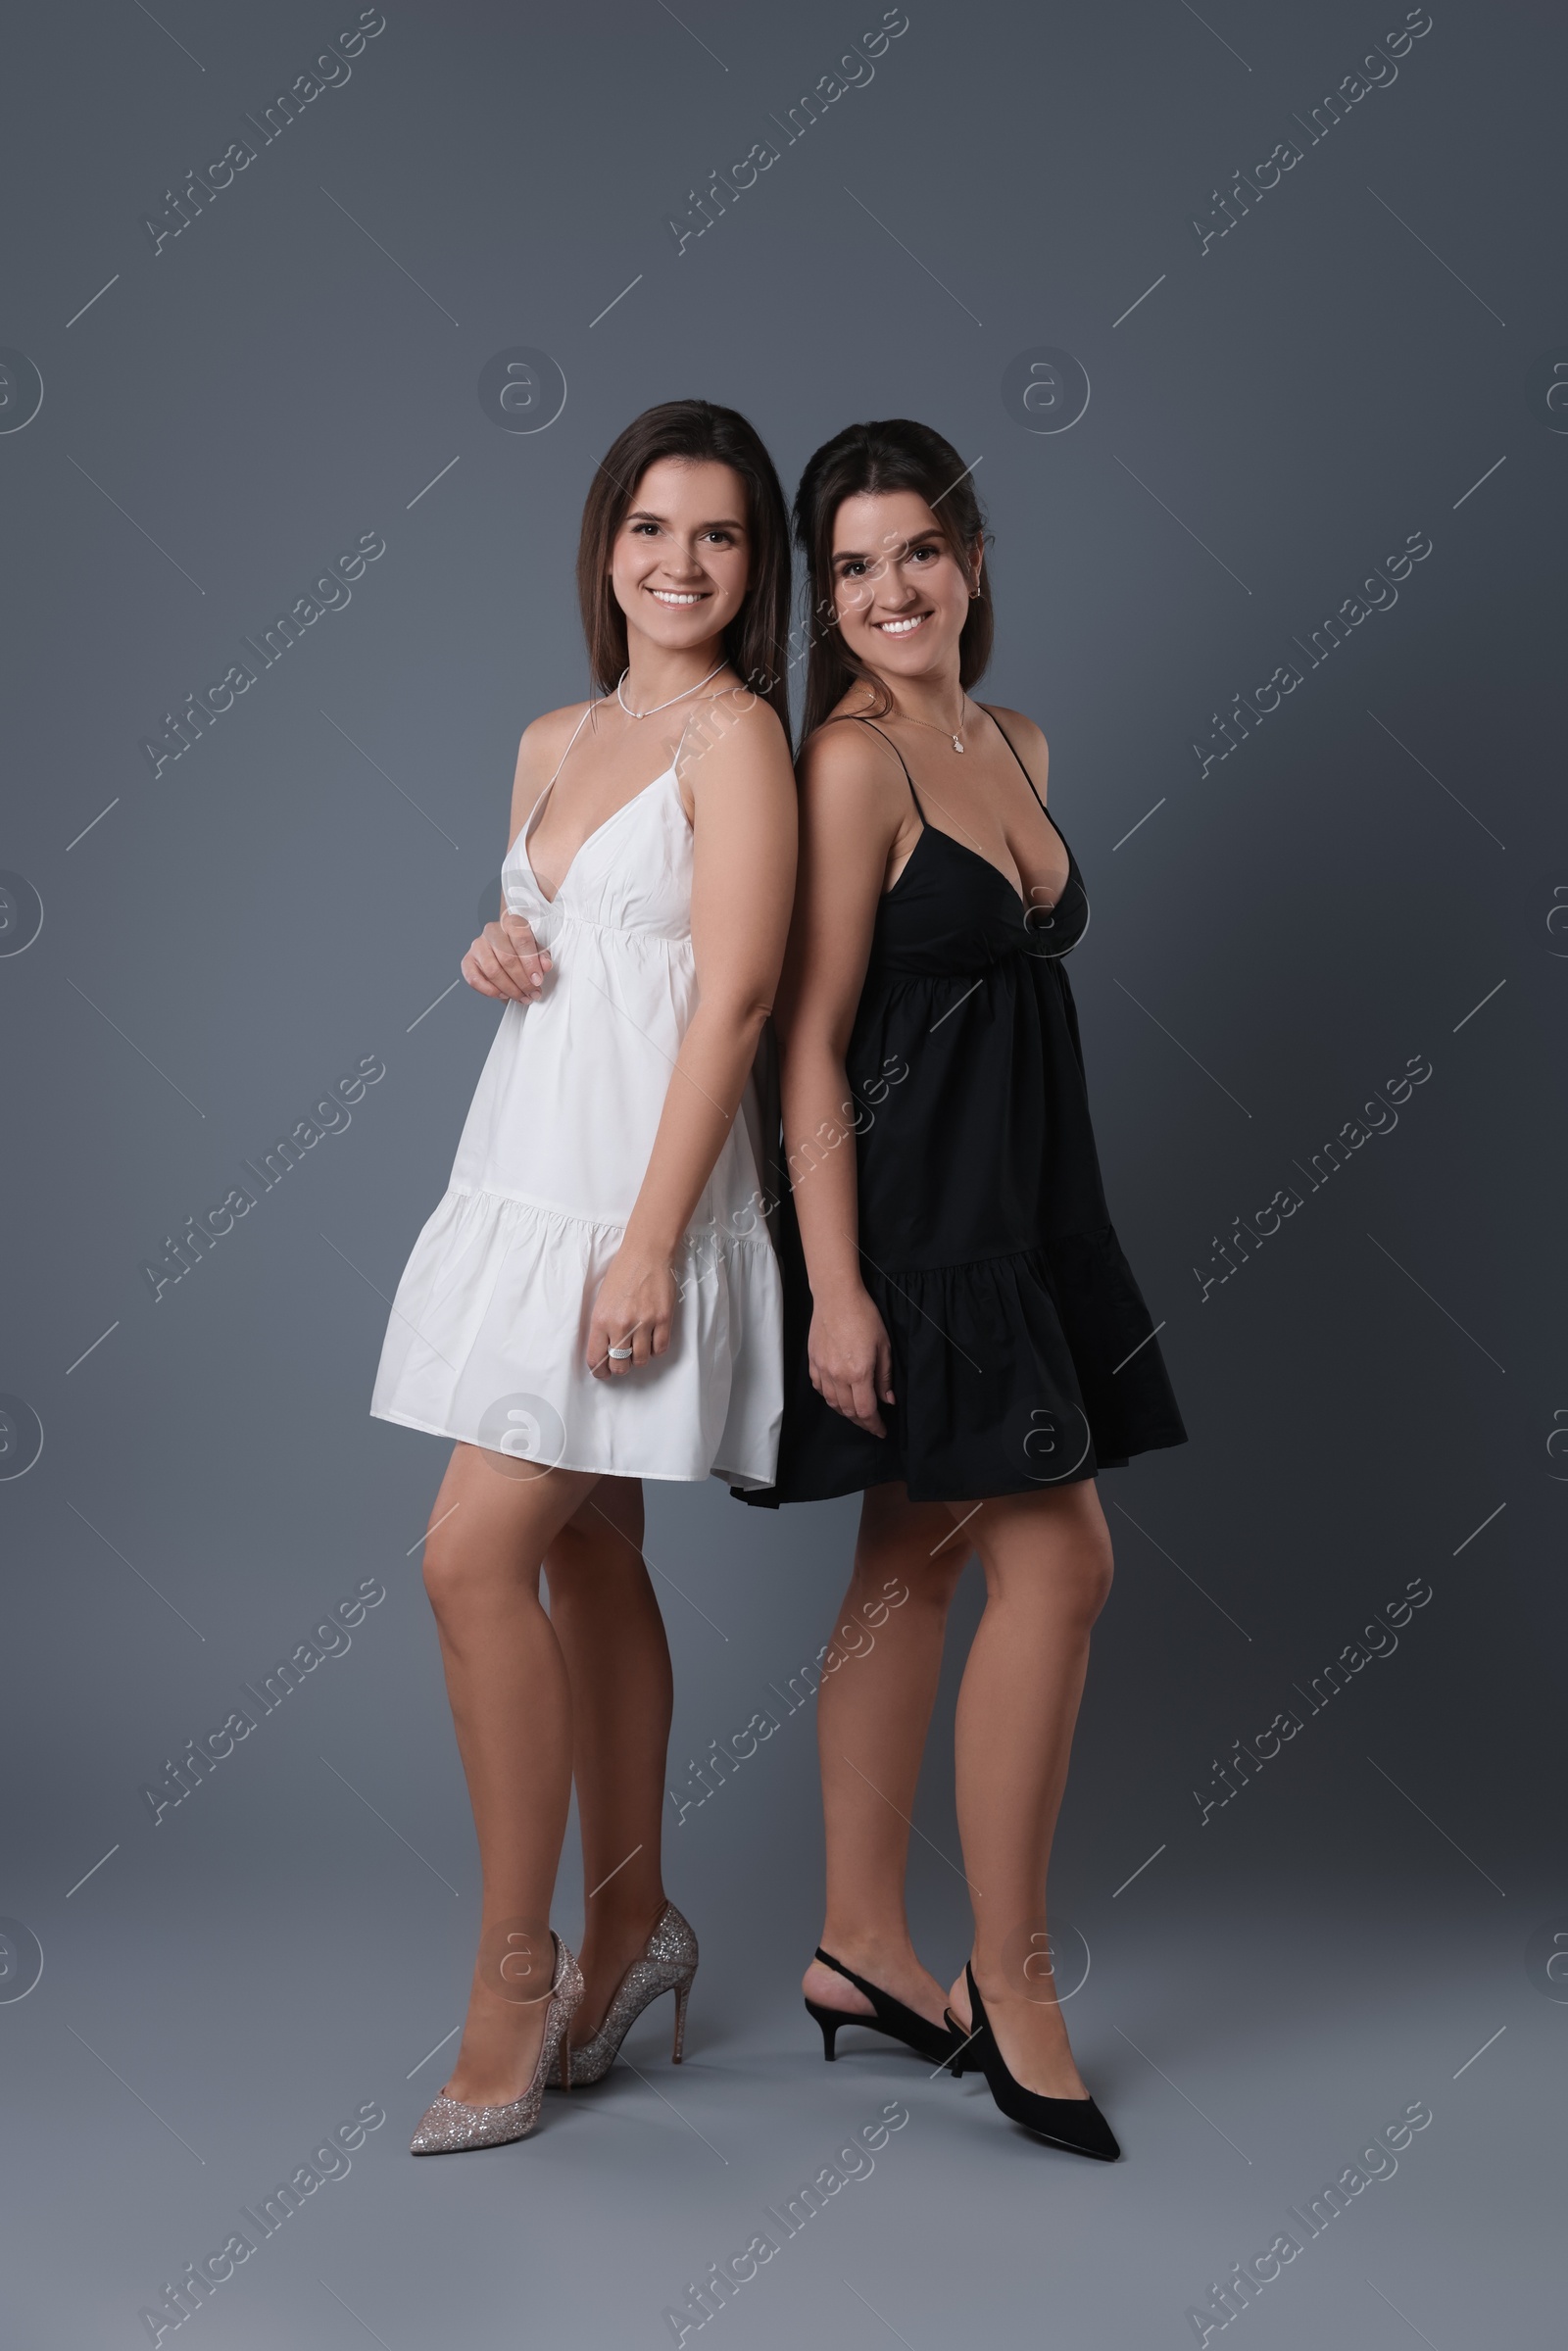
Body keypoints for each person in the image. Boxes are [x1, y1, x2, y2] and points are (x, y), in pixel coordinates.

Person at [737, 417, 1187, 2160]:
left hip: (1026, 1208)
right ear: (825, 598)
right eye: (849, 568)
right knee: (1060, 1560)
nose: (887, 591)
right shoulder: (849, 766)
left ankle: (860, 1944)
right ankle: (1011, 1972)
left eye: (915, 552)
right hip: (913, 1228)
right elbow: (806, 1045)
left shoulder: (1014, 735)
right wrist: (834, 1289)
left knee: (912, 1559)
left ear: (971, 558)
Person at [371, 400, 797, 2153]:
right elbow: (574, 943)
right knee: (589, 1550)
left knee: (469, 1555)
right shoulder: (554, 733)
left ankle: (516, 1973)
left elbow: (741, 998)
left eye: (716, 537)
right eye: (650, 527)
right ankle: (639, 1922)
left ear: (752, 567)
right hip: (523, 1167)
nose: (678, 564)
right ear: (604, 542)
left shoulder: (742, 737)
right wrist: (500, 938)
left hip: (638, 1207)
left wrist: (646, 1243)